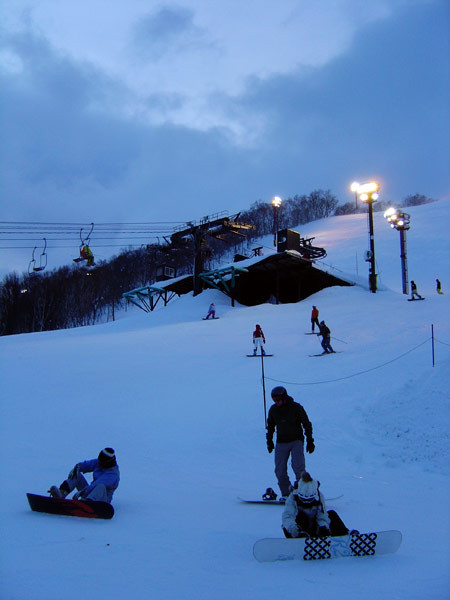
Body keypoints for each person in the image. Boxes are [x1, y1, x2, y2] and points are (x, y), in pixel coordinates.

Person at [266, 386, 315, 500]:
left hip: (296, 441)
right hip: (281, 442)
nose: (277, 402)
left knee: (298, 467)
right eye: (274, 400)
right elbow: (271, 427)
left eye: (278, 399)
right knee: (280, 469)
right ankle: (287, 494)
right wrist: (269, 441)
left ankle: (303, 492)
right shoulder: (273, 410)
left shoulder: (296, 408)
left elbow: (306, 424)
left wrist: (310, 440)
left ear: (285, 397)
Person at [282, 471, 356, 538]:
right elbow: (287, 516)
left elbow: (322, 515)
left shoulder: (320, 497)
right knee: (301, 517)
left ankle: (345, 536)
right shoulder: (292, 497)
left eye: (309, 500)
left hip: (314, 528)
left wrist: (323, 527)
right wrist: (293, 529)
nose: (307, 502)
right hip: (298, 530)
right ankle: (301, 538)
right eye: (303, 499)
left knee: (332, 514)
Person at [48, 447, 120, 504]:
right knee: (77, 474)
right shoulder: (99, 463)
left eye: (102, 462)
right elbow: (87, 465)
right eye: (99, 460)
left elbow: (97, 484)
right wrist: (77, 467)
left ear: (107, 462)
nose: (99, 463)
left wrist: (83, 491)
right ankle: (62, 493)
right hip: (89, 492)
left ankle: (88, 503)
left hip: (102, 500)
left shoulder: (113, 474)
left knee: (100, 486)